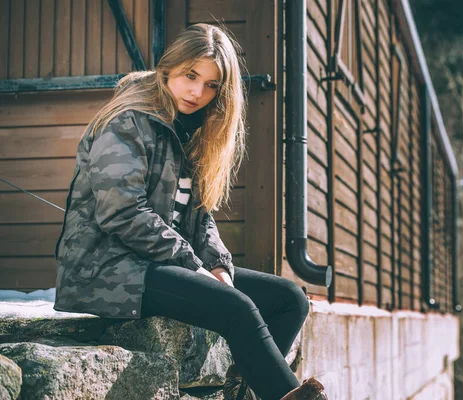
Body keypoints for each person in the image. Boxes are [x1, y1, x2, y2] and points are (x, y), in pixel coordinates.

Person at [53, 23, 327, 400]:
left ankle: (245, 391)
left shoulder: (192, 129)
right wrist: (190, 263)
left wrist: (217, 265)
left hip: (158, 262)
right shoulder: (128, 122)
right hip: (106, 268)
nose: (198, 92)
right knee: (237, 309)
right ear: (169, 68)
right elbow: (122, 212)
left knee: (290, 299)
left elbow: (200, 214)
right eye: (191, 76)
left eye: (212, 85)